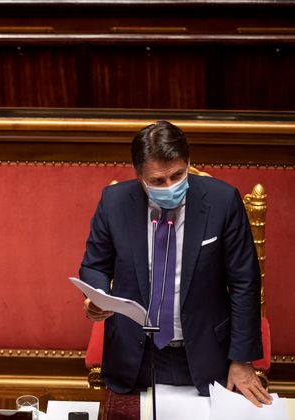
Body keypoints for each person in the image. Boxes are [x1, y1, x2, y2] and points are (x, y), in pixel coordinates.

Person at [79, 121, 272, 407]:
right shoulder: (113, 203)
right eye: (157, 181)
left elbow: (245, 282)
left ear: (188, 163)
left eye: (177, 176)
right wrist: (96, 298)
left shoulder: (222, 201)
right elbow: (94, 266)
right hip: (134, 357)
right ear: (139, 175)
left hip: (207, 355)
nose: (169, 187)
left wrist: (241, 360)